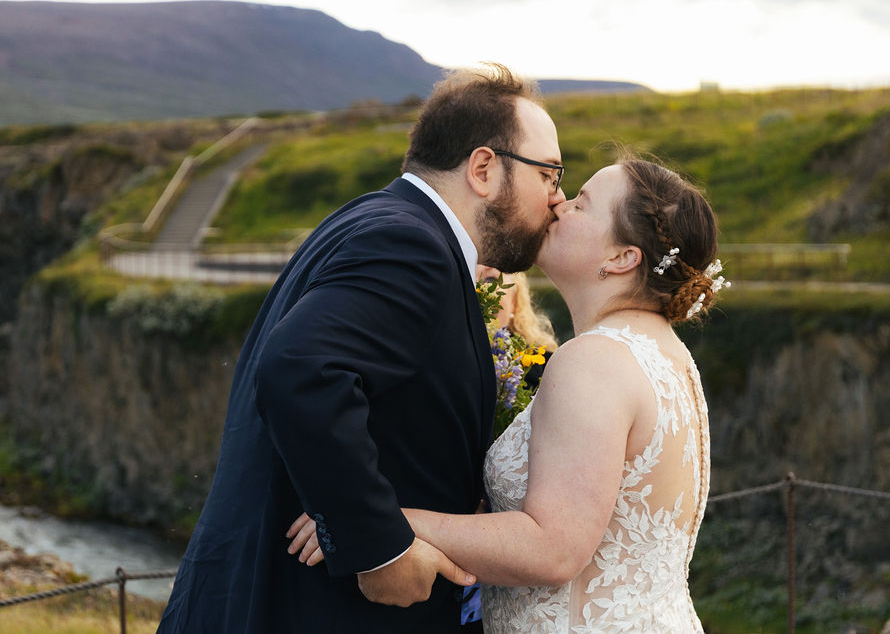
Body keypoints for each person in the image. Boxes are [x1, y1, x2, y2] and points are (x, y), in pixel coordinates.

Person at [157, 63, 566, 633]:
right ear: (482, 169)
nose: (557, 198)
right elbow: (300, 369)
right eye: (549, 174)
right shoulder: (412, 247)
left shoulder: (370, 219)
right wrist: (380, 549)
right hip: (308, 611)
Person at [291, 157, 727, 632]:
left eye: (582, 204)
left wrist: (378, 521)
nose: (560, 204)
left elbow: (553, 549)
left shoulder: (593, 361)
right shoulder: (668, 353)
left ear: (622, 258)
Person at [475, 265, 559, 390]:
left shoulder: (550, 371)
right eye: (465, 279)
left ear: (515, 299)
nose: (476, 290)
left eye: (491, 280)